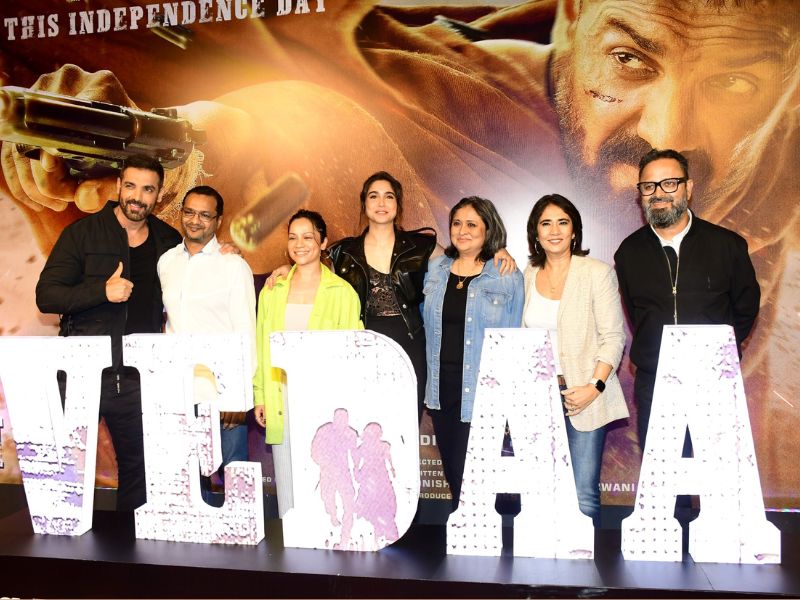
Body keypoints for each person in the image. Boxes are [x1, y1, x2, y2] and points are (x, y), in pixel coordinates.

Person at [35, 154, 182, 511]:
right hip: (81, 372)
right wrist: (102, 291)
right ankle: (62, 542)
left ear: (158, 194)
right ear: (118, 186)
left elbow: (198, 273)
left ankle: (130, 543)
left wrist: (225, 253)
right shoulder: (82, 233)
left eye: (147, 189)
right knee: (66, 468)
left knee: (139, 470)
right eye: (130, 186)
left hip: (136, 378)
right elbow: (46, 296)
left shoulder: (168, 239)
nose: (137, 197)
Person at [614, 148, 761, 450]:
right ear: (640, 194)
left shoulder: (727, 246)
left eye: (669, 183)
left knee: (717, 474)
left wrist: (719, 351)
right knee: (663, 478)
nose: (658, 194)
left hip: (714, 383)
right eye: (649, 186)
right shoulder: (628, 253)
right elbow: (637, 314)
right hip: (654, 384)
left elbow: (746, 308)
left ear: (688, 188)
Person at [523, 193, 627, 525]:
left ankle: (583, 559)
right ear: (536, 233)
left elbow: (613, 337)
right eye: (546, 223)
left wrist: (594, 387)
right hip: (538, 396)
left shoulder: (597, 273)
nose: (554, 230)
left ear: (574, 231)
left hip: (583, 393)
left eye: (562, 222)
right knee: (541, 489)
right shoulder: (527, 274)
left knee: (582, 492)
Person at [253, 209, 362, 518]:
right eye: (292, 237)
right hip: (281, 398)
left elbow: (353, 356)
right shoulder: (273, 291)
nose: (299, 244)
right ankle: (291, 538)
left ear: (323, 242)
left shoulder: (343, 293)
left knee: (322, 482)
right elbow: (262, 345)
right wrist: (260, 395)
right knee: (287, 481)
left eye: (308, 237)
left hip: (324, 400)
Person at [157, 185, 256, 506]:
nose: (195, 220)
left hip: (222, 394)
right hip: (179, 393)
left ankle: (240, 537)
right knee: (187, 484)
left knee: (235, 482)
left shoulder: (233, 265)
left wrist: (239, 396)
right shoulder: (166, 262)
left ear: (218, 220)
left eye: (204, 215)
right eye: (189, 212)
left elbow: (245, 332)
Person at [422, 196, 524, 511]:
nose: (462, 231)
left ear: (488, 229)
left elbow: (514, 337)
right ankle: (465, 529)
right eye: (456, 223)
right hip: (441, 390)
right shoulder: (435, 269)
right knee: (455, 473)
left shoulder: (506, 275)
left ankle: (482, 531)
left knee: (477, 477)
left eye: (471, 224)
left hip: (483, 391)